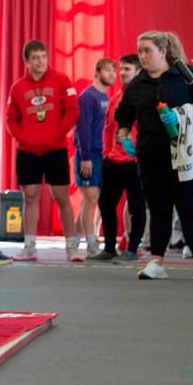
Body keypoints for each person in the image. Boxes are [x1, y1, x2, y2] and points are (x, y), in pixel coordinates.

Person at [116, 31, 193, 281]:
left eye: (147, 50)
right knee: (158, 208)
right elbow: (124, 115)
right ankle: (157, 261)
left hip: (186, 154)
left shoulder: (185, 75)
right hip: (151, 156)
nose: (142, 56)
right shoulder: (137, 84)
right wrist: (124, 137)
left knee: (191, 207)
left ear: (163, 51)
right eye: (140, 51)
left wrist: (189, 112)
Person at [6, 40, 79, 261]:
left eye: (44, 56)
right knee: (30, 197)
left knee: (62, 197)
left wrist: (57, 134)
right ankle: (29, 247)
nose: (41, 61)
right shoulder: (18, 87)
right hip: (28, 151)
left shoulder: (61, 80)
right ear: (27, 62)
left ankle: (71, 247)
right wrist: (24, 137)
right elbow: (11, 118)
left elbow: (73, 111)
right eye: (36, 58)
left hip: (55, 149)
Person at [91, 54, 146, 261]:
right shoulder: (115, 98)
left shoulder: (143, 98)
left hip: (134, 163)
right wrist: (106, 154)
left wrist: (139, 153)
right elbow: (107, 129)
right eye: (121, 69)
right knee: (105, 203)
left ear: (138, 72)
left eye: (127, 69)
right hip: (112, 161)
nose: (122, 73)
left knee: (137, 207)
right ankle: (109, 248)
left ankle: (132, 249)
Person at [74, 58, 116, 259]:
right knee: (90, 199)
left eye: (114, 71)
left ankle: (74, 237)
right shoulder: (88, 97)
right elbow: (82, 128)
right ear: (97, 72)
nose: (112, 75)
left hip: (103, 154)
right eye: (108, 70)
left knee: (93, 200)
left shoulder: (109, 97)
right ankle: (91, 244)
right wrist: (85, 157)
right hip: (89, 155)